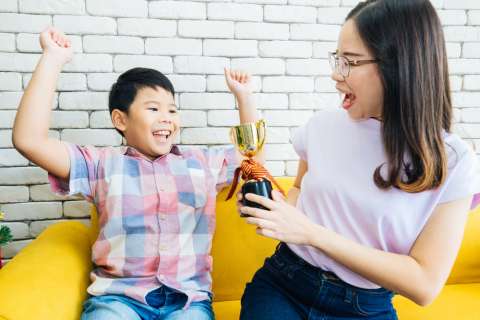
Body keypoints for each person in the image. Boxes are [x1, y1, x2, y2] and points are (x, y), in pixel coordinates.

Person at [237, 0, 480, 319]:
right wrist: (275, 209)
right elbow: (298, 191)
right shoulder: (323, 126)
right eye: (337, 59)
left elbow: (424, 284)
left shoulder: (454, 160)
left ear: (399, 65)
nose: (336, 75)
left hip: (363, 308)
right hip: (284, 282)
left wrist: (311, 232)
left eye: (349, 62)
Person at [12, 27, 259, 320]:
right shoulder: (101, 164)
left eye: (172, 110)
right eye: (153, 108)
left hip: (187, 302)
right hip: (119, 300)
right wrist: (52, 59)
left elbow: (254, 160)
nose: (167, 117)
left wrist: (244, 97)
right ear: (121, 119)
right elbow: (29, 141)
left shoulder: (200, 163)